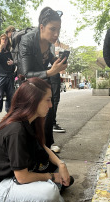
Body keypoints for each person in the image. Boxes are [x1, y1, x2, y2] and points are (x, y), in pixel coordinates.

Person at [0, 77, 74, 202]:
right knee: (51, 193)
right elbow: (22, 177)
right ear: (33, 100)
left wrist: (61, 164)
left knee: (62, 175)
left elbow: (42, 145)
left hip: (13, 176)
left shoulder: (29, 120)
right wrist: (51, 177)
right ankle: (31, 201)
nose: (51, 105)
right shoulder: (16, 130)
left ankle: (37, 198)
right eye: (47, 100)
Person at [17, 7, 67, 150]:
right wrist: (51, 72)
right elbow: (26, 73)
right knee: (34, 120)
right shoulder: (28, 41)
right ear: (41, 27)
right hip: (30, 86)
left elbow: (48, 58)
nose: (56, 34)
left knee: (49, 115)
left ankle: (47, 147)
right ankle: (34, 151)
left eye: (58, 29)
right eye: (52, 29)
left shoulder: (49, 41)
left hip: (44, 82)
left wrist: (58, 61)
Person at [0, 34, 15, 121]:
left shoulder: (9, 53)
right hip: (0, 77)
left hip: (9, 77)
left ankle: (8, 113)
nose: (4, 41)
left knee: (10, 96)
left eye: (6, 40)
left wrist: (13, 63)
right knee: (0, 96)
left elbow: (12, 67)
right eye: (3, 39)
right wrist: (1, 49)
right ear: (0, 40)